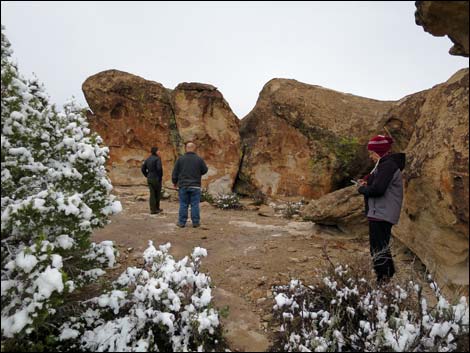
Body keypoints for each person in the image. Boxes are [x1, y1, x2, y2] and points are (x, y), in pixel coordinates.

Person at [357, 135, 405, 285]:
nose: (370, 156)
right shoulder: (384, 164)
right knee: (381, 246)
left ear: (379, 152)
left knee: (377, 249)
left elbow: (378, 189)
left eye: (372, 153)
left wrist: (362, 189)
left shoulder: (387, 166)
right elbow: (375, 179)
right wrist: (366, 180)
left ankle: (383, 281)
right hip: (381, 212)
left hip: (382, 212)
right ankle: (388, 276)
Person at [172, 142, 208, 228]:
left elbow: (175, 172)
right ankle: (195, 222)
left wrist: (174, 182)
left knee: (183, 204)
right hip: (195, 185)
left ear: (186, 148)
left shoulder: (180, 159)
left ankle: (181, 222)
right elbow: (205, 170)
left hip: (183, 185)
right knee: (195, 204)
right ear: (194, 148)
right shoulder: (199, 159)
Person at [141, 146, 163, 214]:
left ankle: (152, 209)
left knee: (152, 193)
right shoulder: (157, 159)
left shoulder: (147, 159)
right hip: (156, 178)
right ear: (156, 152)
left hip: (149, 177)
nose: (159, 152)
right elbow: (159, 168)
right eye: (158, 151)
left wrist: (146, 175)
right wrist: (160, 176)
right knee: (157, 194)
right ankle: (156, 208)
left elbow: (142, 168)